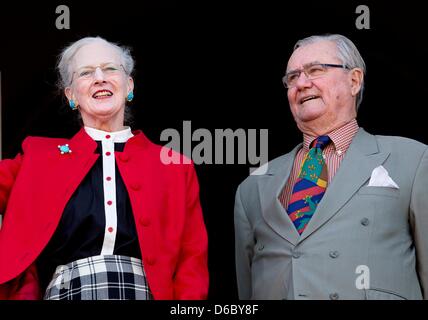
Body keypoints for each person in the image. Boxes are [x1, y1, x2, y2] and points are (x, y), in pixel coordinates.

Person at [0, 36, 208, 300]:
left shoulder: (175, 166)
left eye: (110, 68)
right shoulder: (37, 157)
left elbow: (192, 261)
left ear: (129, 84)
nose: (100, 77)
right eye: (85, 72)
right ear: (71, 94)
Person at [234, 34, 428, 300]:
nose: (301, 83)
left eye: (315, 70)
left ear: (354, 80)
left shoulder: (413, 159)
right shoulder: (252, 187)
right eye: (292, 77)